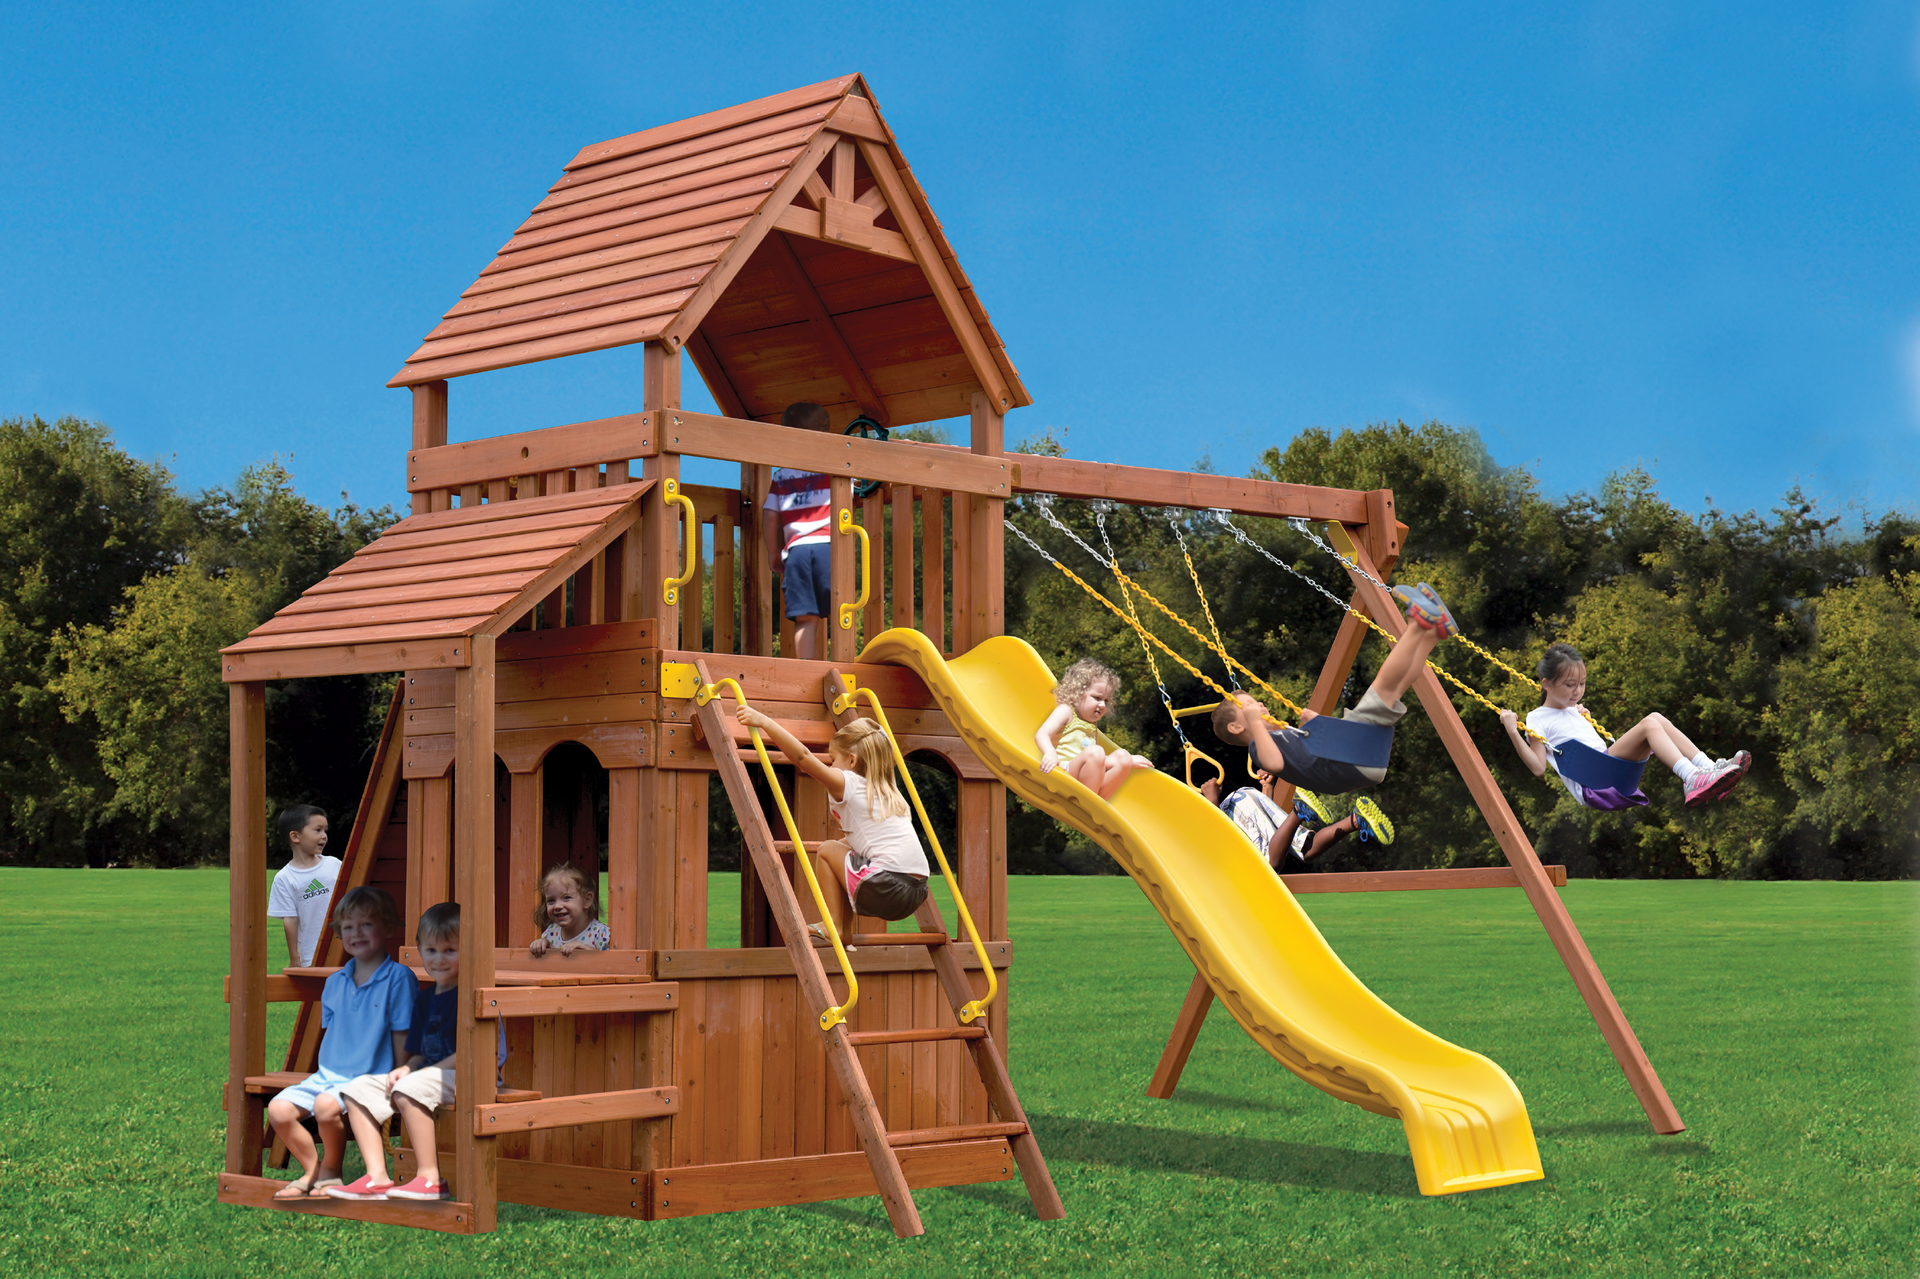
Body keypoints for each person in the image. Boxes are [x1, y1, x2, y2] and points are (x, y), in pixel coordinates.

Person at [329, 902, 507, 1202]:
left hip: (473, 1076)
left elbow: (473, 1053)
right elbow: (419, 1052)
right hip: (428, 1078)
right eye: (431, 950)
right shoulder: (425, 1000)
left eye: (450, 950)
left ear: (471, 950)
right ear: (420, 950)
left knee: (409, 1088)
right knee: (355, 1089)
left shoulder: (473, 997)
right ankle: (376, 1176)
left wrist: (418, 1075)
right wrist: (407, 1068)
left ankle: (429, 1179)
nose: (439, 959)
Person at [1212, 582, 1459, 794]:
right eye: (1251, 706)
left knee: (1394, 689)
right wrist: (1257, 723)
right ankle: (1418, 624)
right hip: (1349, 761)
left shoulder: (1280, 736)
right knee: (1384, 685)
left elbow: (1308, 757)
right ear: (1236, 727)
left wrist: (1316, 725)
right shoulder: (1258, 747)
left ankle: (1433, 634)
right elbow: (1273, 764)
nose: (1260, 705)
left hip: (1359, 763)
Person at [265, 886, 414, 1200]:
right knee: (278, 1109)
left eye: (366, 924)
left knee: (325, 1106)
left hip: (370, 1076)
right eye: (348, 927)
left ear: (388, 928)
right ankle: (311, 1170)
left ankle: (331, 1171)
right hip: (327, 1075)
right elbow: (333, 1032)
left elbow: (403, 1032)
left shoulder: (399, 978)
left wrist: (401, 1074)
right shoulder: (334, 983)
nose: (356, 933)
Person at [734, 706, 930, 942]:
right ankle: (843, 931)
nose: (831, 765)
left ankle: (834, 926)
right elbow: (863, 841)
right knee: (841, 847)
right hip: (917, 892)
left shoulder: (848, 782)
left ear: (852, 760)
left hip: (887, 884)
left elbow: (803, 758)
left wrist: (765, 722)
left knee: (827, 850)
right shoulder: (886, 793)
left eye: (833, 759)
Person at [1498, 642, 1752, 809]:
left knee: (1657, 720)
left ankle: (1708, 770)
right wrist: (1512, 730)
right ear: (1546, 684)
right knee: (1650, 724)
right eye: (1569, 685)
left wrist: (1581, 717)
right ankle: (1692, 779)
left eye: (1582, 684)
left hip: (1607, 771)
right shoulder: (1537, 718)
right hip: (1594, 783)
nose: (1577, 692)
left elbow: (1577, 734)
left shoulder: (1573, 710)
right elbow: (1538, 768)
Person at [761, 401, 838, 661]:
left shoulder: (782, 475)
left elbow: (770, 515)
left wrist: (774, 553)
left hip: (795, 552)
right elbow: (857, 490)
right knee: (841, 609)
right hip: (829, 547)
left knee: (805, 618)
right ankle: (842, 662)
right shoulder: (837, 468)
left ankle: (805, 667)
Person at [1201, 773, 1394, 872]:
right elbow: (1269, 831)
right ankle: (1355, 820)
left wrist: (1212, 799)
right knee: (1306, 848)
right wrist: (1267, 787)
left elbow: (1217, 829)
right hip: (1247, 798)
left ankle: (1298, 810)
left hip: (1231, 808)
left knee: (1268, 865)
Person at [1036, 659, 1155, 801]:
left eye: (1107, 701)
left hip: (1084, 779)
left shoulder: (1092, 725)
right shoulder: (1066, 711)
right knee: (1096, 751)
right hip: (1064, 773)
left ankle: (1098, 802)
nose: (1102, 705)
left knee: (1123, 756)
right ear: (1077, 692)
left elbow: (1095, 762)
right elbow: (1042, 734)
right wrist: (1050, 753)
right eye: (1097, 698)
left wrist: (1129, 760)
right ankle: (1089, 801)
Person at [267, 804, 341, 968]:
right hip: (312, 955)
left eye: (325, 830)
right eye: (318, 830)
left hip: (346, 949)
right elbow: (290, 920)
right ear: (295, 836)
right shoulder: (285, 878)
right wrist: (295, 959)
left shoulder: (334, 865)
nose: (324, 836)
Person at [528, 864, 610, 956]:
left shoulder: (601, 934)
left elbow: (612, 964)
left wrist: (588, 951)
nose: (557, 906)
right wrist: (542, 945)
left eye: (566, 897)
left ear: (587, 900)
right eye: (551, 900)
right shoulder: (550, 933)